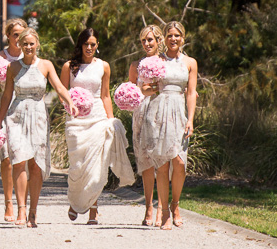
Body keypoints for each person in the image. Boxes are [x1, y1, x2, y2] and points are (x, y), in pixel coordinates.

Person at [0, 29, 71, 228]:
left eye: (31, 43)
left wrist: (71, 102)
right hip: (16, 116)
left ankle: (33, 211)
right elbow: (6, 96)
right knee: (19, 160)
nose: (28, 47)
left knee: (35, 165)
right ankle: (21, 208)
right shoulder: (12, 67)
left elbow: (59, 87)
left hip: (38, 116)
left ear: (37, 44)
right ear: (19, 45)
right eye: (25, 44)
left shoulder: (45, 65)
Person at [60, 26, 135, 224]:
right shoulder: (69, 66)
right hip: (76, 120)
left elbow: (105, 95)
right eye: (86, 44)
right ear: (80, 44)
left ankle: (93, 209)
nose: (89, 47)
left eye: (93, 44)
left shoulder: (104, 66)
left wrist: (110, 120)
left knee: (96, 167)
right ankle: (75, 201)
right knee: (77, 166)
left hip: (98, 118)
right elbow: (62, 94)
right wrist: (71, 105)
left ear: (97, 45)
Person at [140, 21, 198, 229]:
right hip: (158, 112)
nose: (173, 39)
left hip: (179, 113)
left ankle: (175, 204)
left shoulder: (190, 62)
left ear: (183, 38)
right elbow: (145, 89)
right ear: (164, 38)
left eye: (177, 35)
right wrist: (149, 88)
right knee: (162, 166)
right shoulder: (156, 61)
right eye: (169, 35)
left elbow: (191, 93)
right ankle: (164, 212)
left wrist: (190, 119)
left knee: (180, 163)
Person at [127, 24, 163, 226]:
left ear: (159, 40)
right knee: (146, 161)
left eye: (150, 40)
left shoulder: (166, 63)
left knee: (161, 161)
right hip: (141, 114)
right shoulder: (136, 65)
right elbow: (132, 92)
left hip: (160, 112)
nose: (147, 44)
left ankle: (161, 208)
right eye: (144, 41)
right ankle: (148, 206)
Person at [0, 18, 29, 221]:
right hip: (2, 109)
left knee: (21, 159)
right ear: (8, 36)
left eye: (21, 34)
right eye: (15, 34)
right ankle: (9, 203)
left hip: (24, 109)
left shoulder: (30, 55)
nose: (19, 38)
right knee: (6, 158)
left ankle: (22, 204)